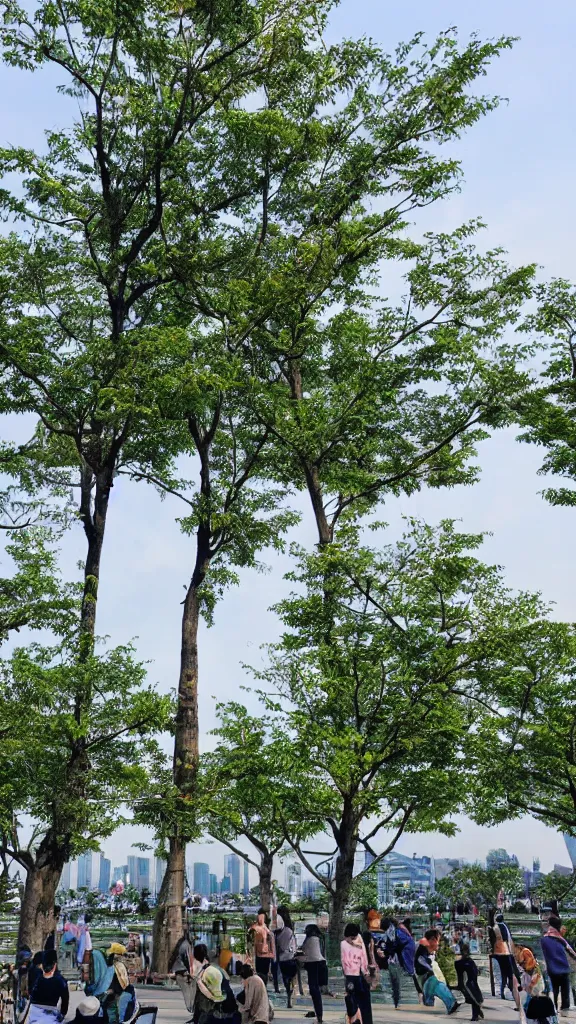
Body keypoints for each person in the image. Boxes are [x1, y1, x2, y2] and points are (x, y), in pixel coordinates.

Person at [415, 929, 461, 1015]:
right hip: (426, 979)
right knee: (438, 985)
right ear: (432, 939)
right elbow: (421, 961)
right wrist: (429, 968)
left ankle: (450, 1004)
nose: (438, 943)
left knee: (429, 1000)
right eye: (437, 940)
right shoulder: (422, 950)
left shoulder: (430, 952)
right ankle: (451, 1004)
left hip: (426, 981)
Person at [373, 917, 416, 1009]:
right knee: (398, 979)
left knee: (397, 980)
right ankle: (397, 1001)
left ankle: (398, 1001)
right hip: (399, 957)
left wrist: (385, 953)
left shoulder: (394, 932)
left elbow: (394, 945)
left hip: (400, 957)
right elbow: (391, 945)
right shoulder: (395, 931)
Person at [541, 915, 576, 1017]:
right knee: (565, 989)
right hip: (564, 967)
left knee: (554, 989)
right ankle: (564, 1010)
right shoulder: (561, 939)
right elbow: (571, 952)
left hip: (551, 968)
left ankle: (553, 1009)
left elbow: (542, 955)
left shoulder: (544, 939)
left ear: (549, 925)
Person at [169, 932, 208, 1022]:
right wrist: (190, 972)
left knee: (193, 993)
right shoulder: (186, 946)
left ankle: (193, 1011)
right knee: (190, 992)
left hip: (184, 971)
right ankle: (192, 1009)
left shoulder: (187, 945)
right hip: (183, 970)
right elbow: (187, 960)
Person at [341, 923, 372, 1024]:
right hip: (359, 975)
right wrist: (366, 973)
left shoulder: (343, 944)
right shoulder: (360, 944)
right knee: (362, 1001)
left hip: (349, 977)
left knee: (351, 1000)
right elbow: (364, 960)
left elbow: (343, 960)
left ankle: (354, 1020)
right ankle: (363, 1020)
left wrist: (345, 973)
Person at [29, 949, 70, 1023]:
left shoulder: (37, 977)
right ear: (55, 965)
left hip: (34, 1011)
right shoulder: (61, 981)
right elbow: (65, 1002)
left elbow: (30, 991)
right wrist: (62, 1015)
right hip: (50, 1013)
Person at [300, 924, 327, 1024]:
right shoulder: (321, 939)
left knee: (314, 990)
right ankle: (319, 1015)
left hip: (312, 964)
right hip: (322, 964)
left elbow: (304, 951)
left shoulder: (310, 940)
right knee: (317, 990)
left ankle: (319, 1016)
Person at [272, 906, 297, 1008]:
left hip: (280, 957)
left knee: (285, 977)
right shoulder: (290, 929)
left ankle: (286, 991)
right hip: (290, 956)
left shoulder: (276, 930)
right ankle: (290, 994)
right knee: (291, 976)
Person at [489, 913, 517, 1001]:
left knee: (503, 973)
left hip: (499, 952)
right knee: (510, 974)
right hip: (506, 951)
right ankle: (512, 992)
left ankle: (502, 992)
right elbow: (506, 938)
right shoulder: (504, 926)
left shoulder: (496, 928)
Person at [455, 943, 484, 1021]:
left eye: (466, 951)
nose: (465, 953)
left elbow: (475, 973)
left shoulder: (467, 962)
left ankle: (476, 1014)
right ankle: (475, 1015)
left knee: (476, 999)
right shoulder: (463, 963)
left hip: (471, 983)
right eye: (464, 951)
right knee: (474, 999)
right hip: (467, 984)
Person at [248, 911, 275, 988]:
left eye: (262, 918)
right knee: (260, 972)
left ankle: (263, 987)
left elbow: (271, 940)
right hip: (259, 954)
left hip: (266, 954)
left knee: (264, 972)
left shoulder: (267, 928)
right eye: (259, 917)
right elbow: (250, 935)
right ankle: (261, 987)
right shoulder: (255, 927)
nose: (260, 919)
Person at [514, 944, 543, 1012]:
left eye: (515, 949)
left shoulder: (525, 951)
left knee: (532, 991)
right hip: (529, 972)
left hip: (533, 973)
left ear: (518, 947)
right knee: (529, 991)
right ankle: (527, 1006)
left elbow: (528, 964)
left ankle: (527, 1006)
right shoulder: (523, 952)